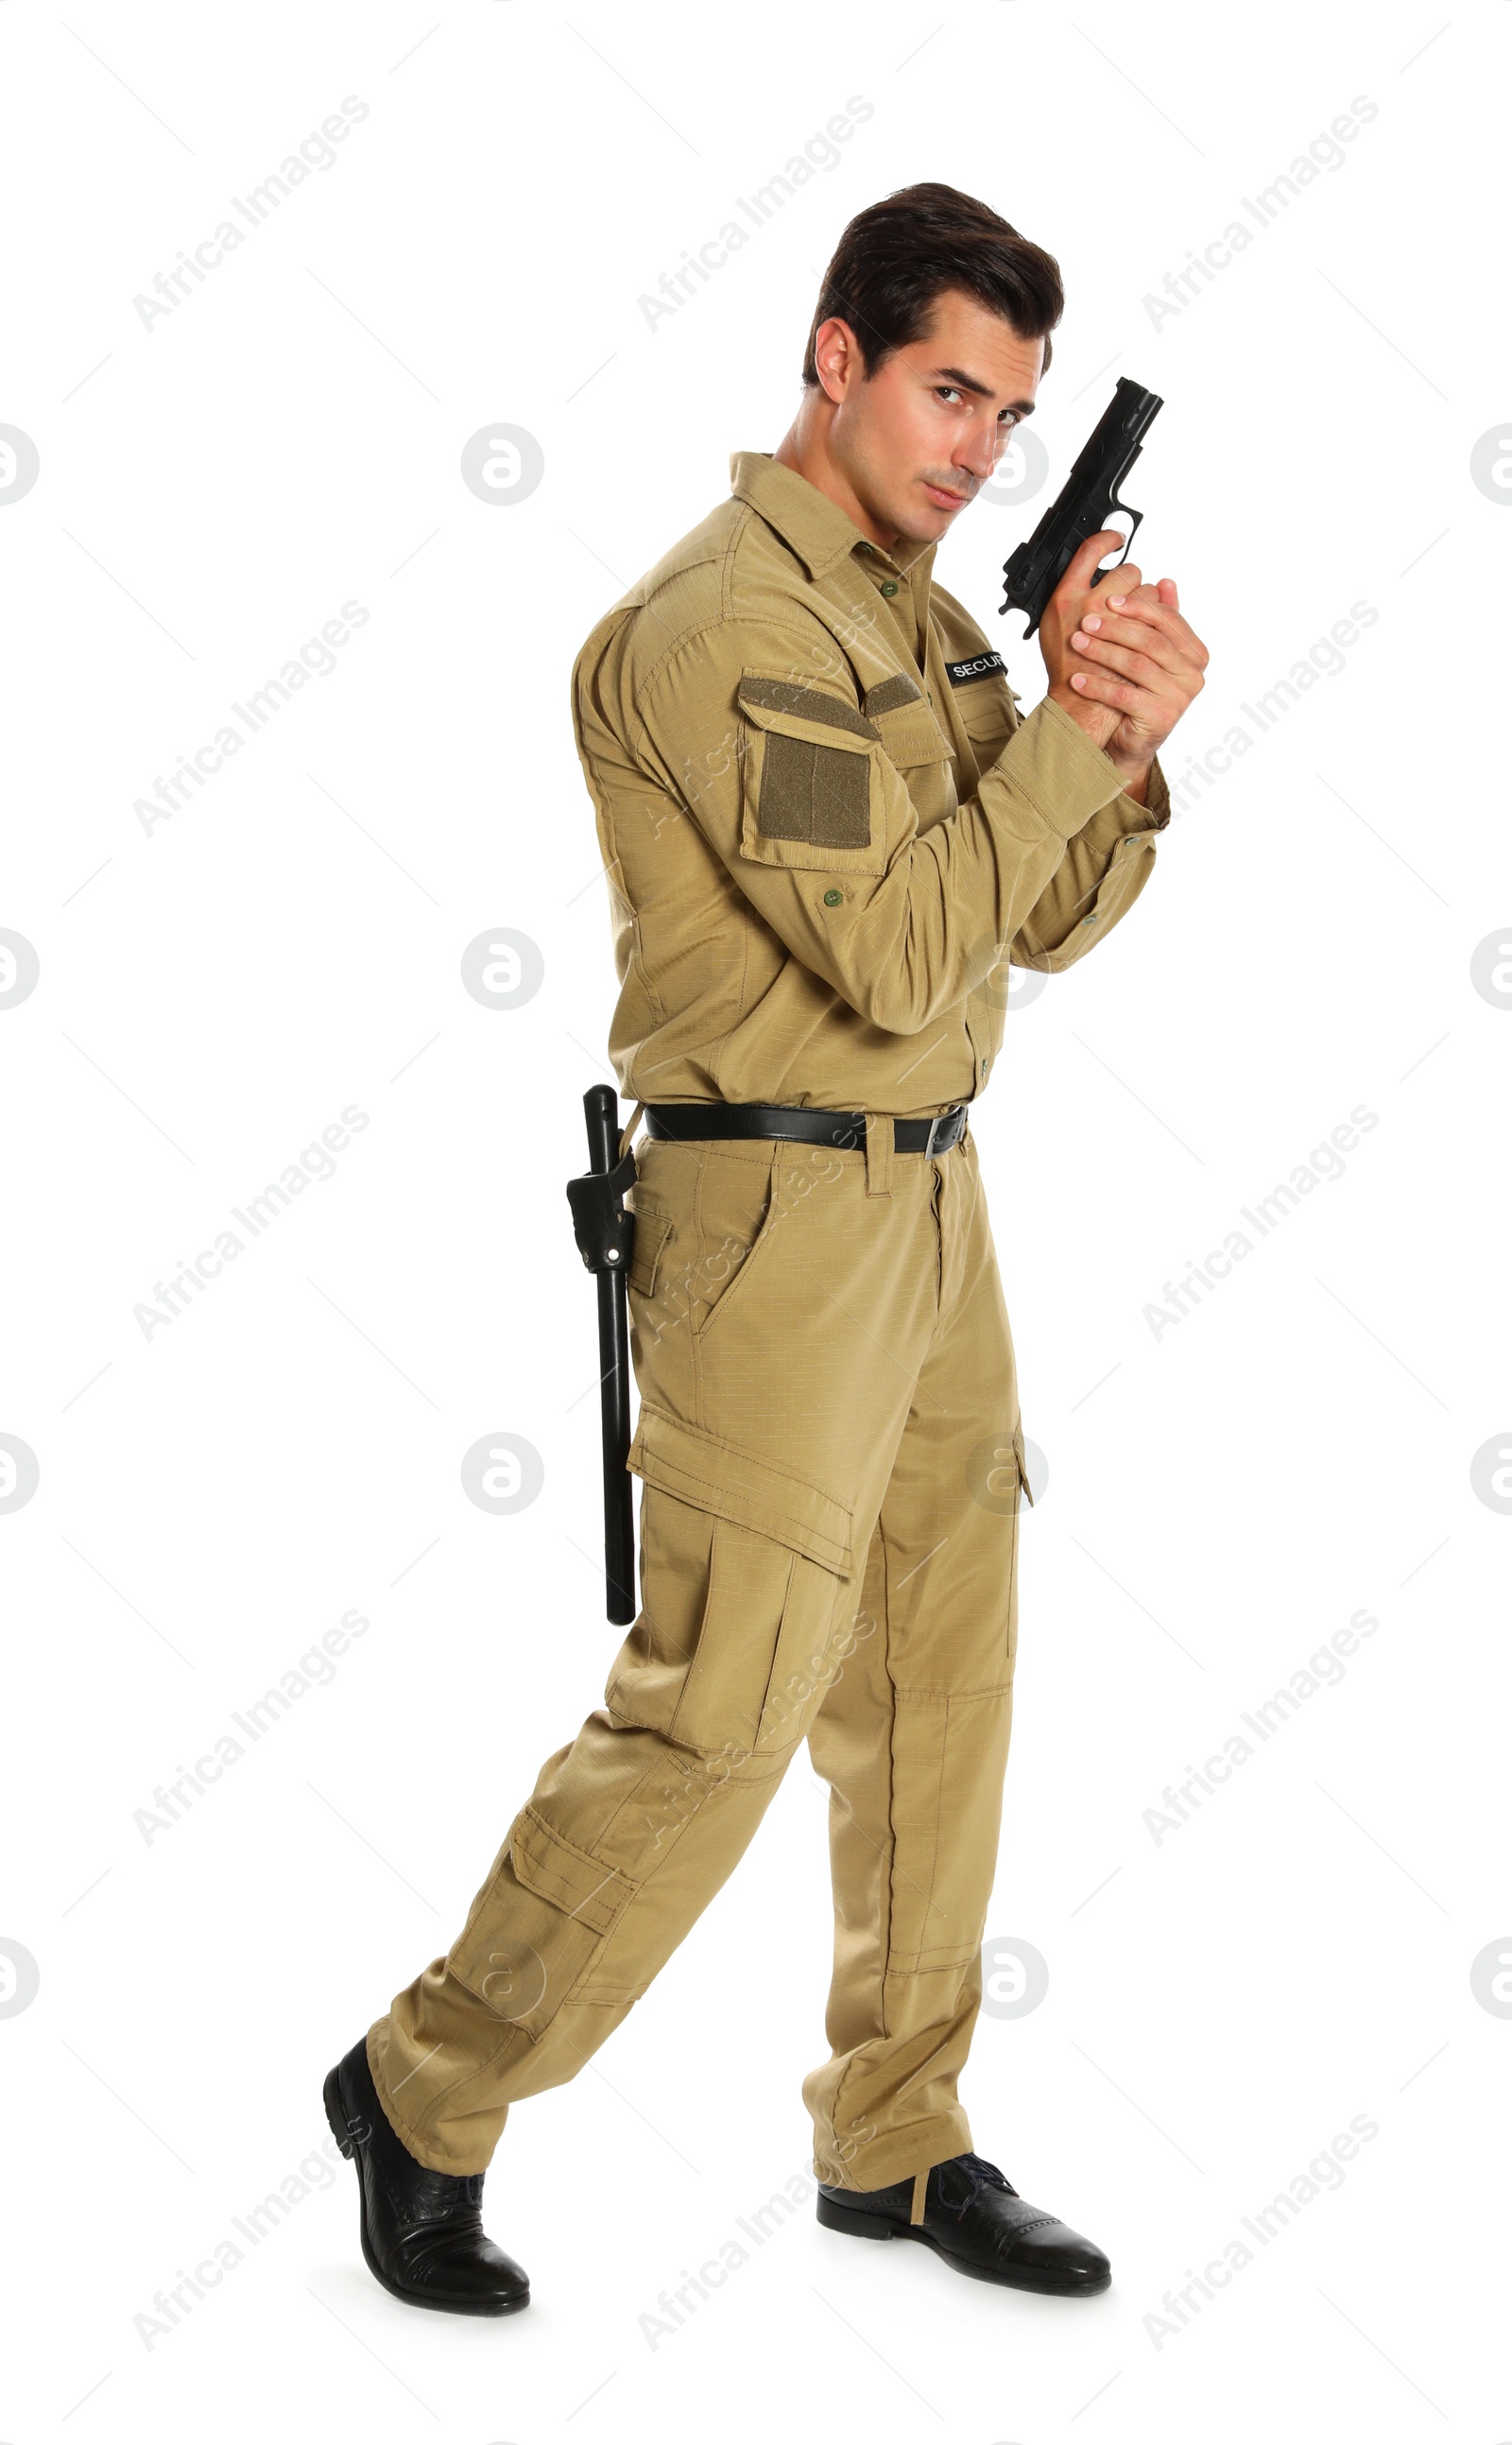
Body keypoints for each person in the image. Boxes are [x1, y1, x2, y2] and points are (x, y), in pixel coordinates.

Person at [324, 180, 1208, 2316]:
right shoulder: (728, 624)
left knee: (935, 1678)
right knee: (716, 1713)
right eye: (941, 391)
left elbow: (1048, 923)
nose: (971, 447)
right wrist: (1063, 742)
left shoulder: (918, 622)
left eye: (1004, 413)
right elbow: (910, 944)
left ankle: (894, 2138)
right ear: (832, 358)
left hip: (925, 1194)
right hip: (764, 1218)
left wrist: (1125, 743)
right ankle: (421, 2083)